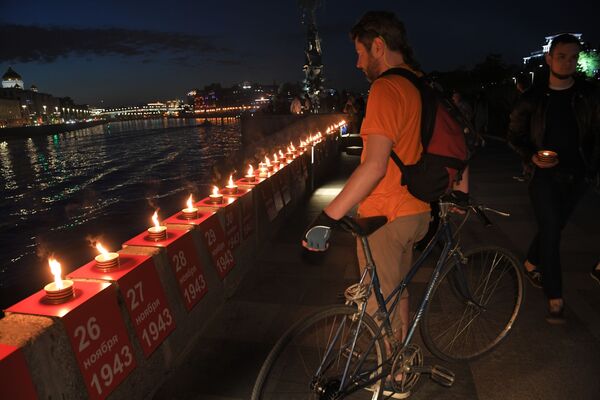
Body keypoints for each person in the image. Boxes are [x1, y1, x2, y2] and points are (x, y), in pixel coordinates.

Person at [302, 11, 430, 398]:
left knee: (378, 305)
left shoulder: (387, 89)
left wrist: (326, 217)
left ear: (379, 46)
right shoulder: (421, 84)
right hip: (417, 210)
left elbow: (373, 166)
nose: (358, 63)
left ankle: (393, 380)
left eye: (360, 53)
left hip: (385, 216)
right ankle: (401, 362)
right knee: (398, 293)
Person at [508, 33, 600, 324]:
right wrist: (530, 155)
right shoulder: (533, 98)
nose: (568, 62)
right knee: (551, 231)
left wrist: (592, 169)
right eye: (561, 56)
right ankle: (555, 296)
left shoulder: (588, 95)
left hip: (578, 176)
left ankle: (531, 261)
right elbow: (514, 134)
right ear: (549, 59)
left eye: (573, 57)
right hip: (544, 175)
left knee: (555, 225)